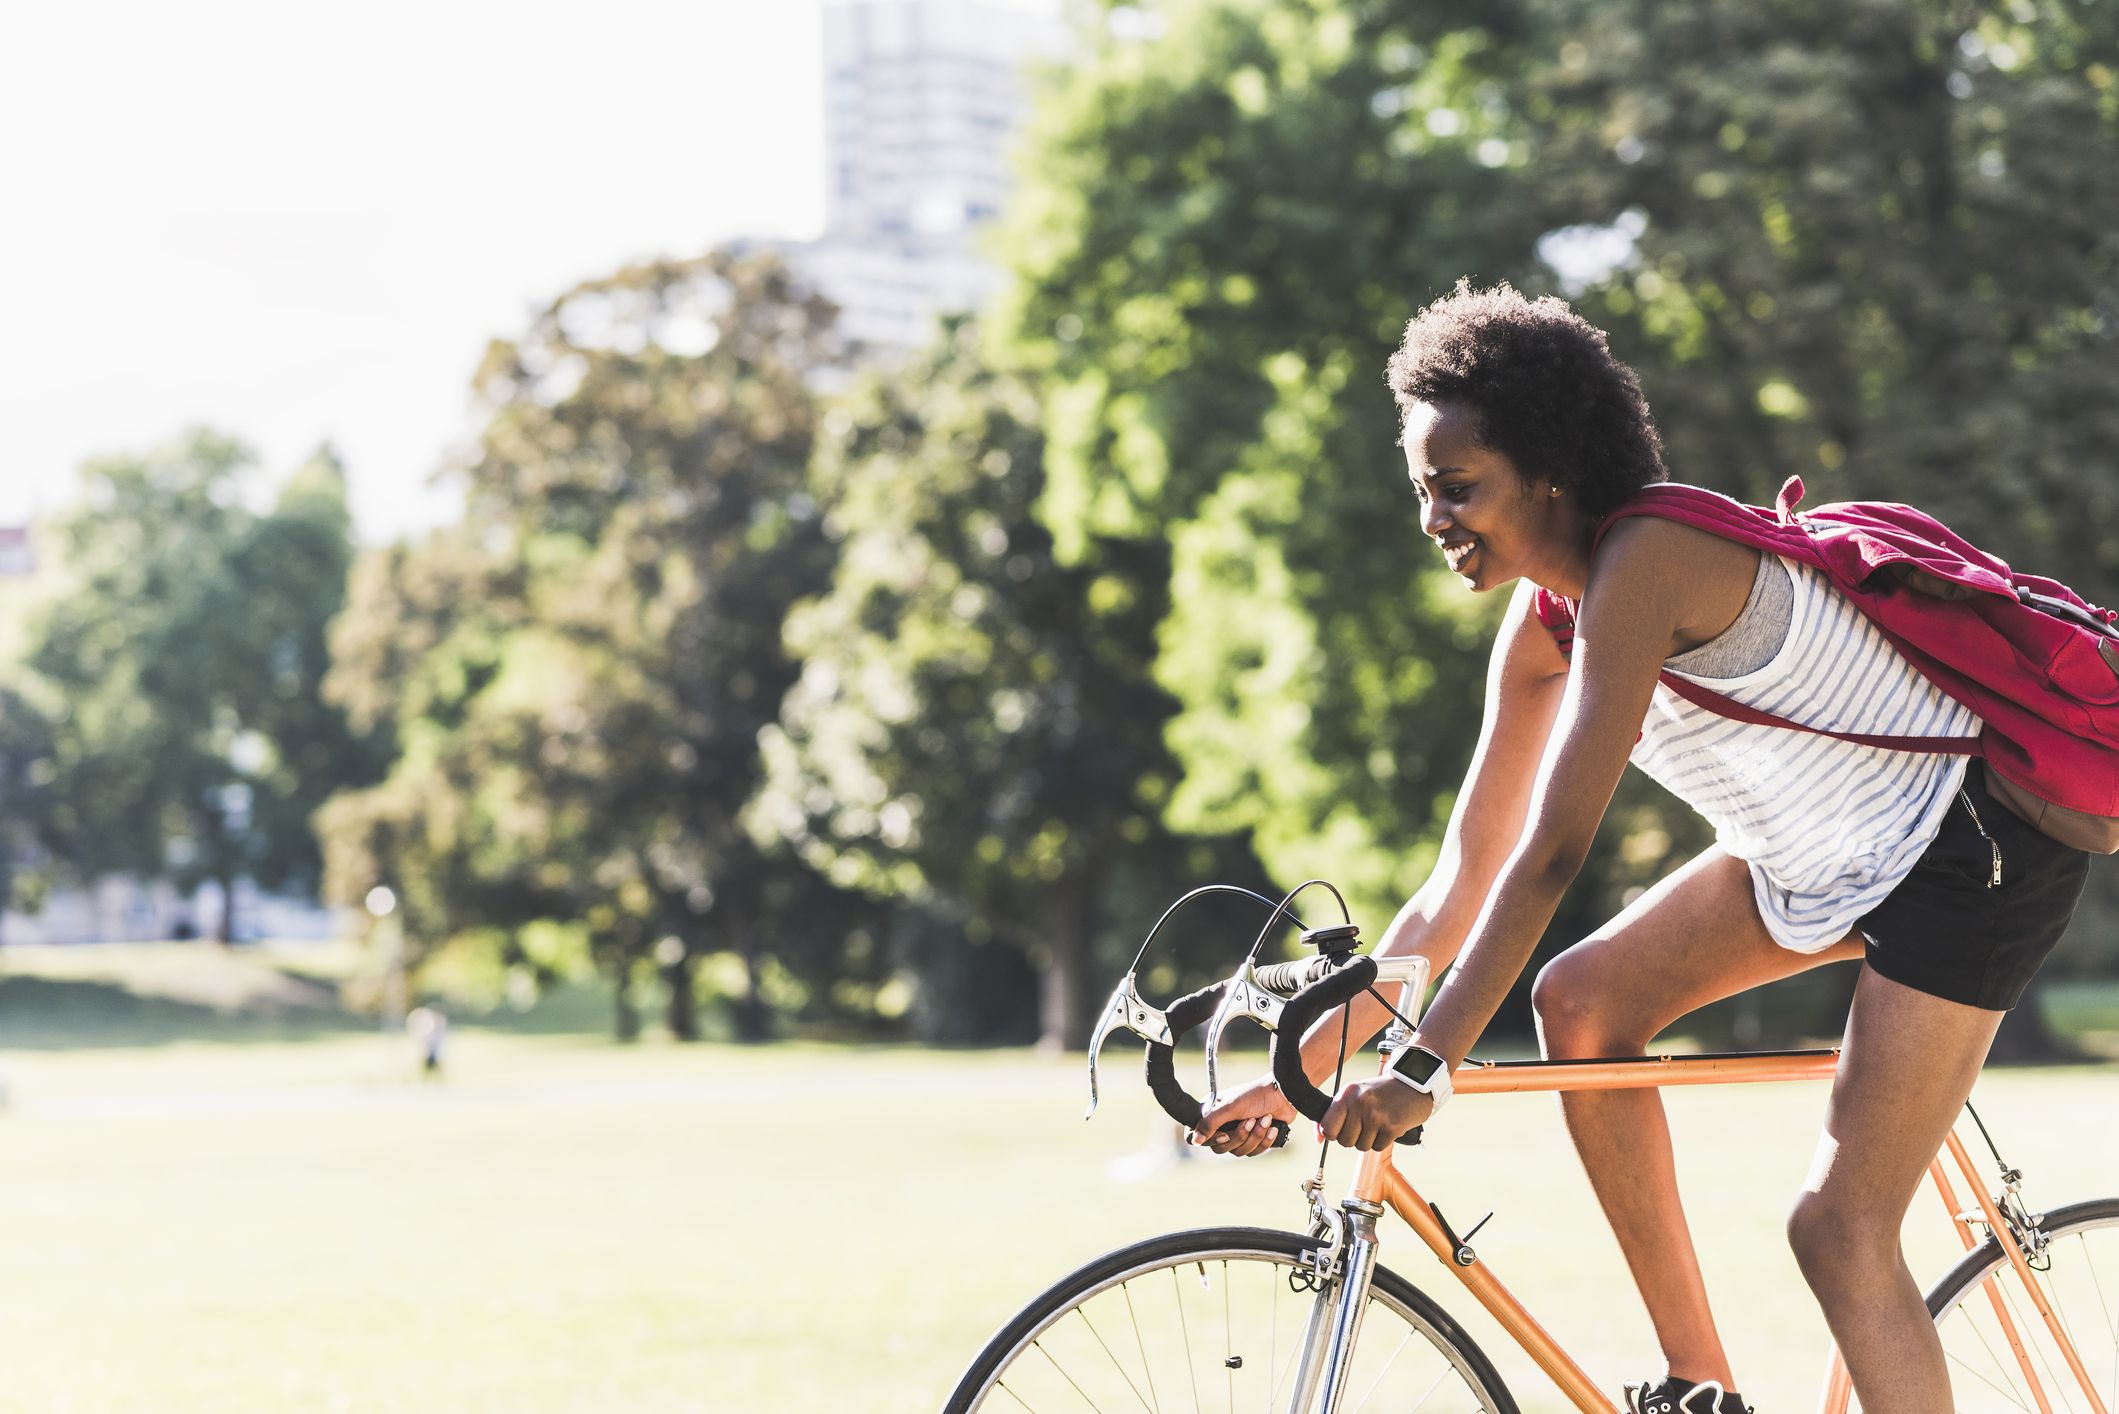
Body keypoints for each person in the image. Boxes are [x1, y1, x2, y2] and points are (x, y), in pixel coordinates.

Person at [1191, 281, 2093, 1414]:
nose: (1433, 520)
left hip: (1965, 845)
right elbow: (1460, 884)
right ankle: (1700, 1383)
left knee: (1836, 1227)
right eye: (1422, 492)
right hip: (1811, 860)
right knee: (1578, 1001)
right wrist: (1309, 1065)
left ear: (1551, 468)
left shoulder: (1653, 555)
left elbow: (1553, 854)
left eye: (1458, 489)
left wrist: (1424, 1067)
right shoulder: (1539, 630)